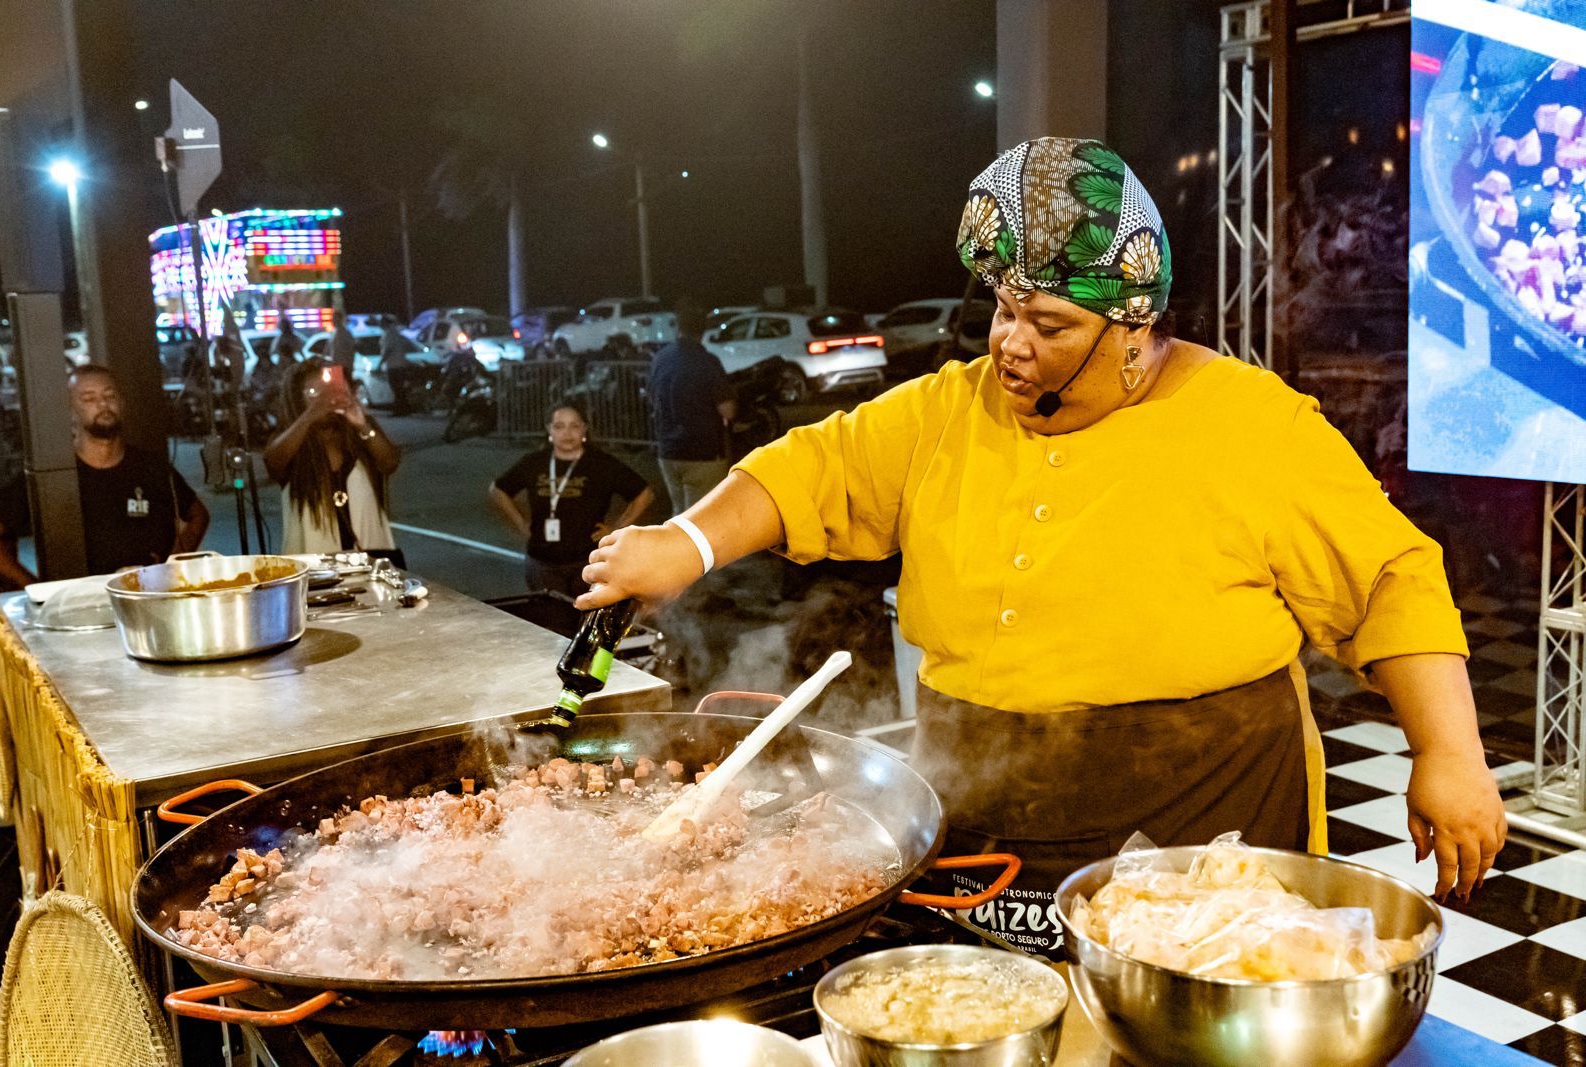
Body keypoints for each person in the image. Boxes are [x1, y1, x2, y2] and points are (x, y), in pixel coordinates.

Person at [575, 137, 1506, 945]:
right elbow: (810, 471)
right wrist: (684, 545)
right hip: (984, 812)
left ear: (1134, 329)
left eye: (1049, 324)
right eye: (1002, 308)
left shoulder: (1251, 425)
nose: (1010, 344)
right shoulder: (949, 408)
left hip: (1198, 821)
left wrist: (1451, 755)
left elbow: (1393, 577)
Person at [0, 365, 209, 585]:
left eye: (109, 395)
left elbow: (198, 515)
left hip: (147, 600)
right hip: (79, 607)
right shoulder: (52, 475)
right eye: (89, 398)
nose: (102, 404)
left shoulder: (152, 467)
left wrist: (170, 567)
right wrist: (33, 588)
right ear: (70, 410)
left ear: (122, 403)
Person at [488, 403, 653, 599]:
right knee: (548, 620)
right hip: (542, 561)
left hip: (586, 560)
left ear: (584, 429)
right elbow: (498, 490)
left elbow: (645, 494)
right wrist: (521, 523)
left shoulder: (601, 464)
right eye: (559, 426)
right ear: (549, 430)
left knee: (583, 617)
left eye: (574, 426)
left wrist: (616, 528)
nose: (567, 433)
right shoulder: (534, 463)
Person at [264, 359, 402, 562]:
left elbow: (389, 462)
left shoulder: (360, 433)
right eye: (312, 394)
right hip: (315, 571)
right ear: (296, 400)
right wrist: (311, 415)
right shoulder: (293, 440)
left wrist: (363, 426)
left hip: (371, 562)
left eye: (331, 390)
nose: (325, 400)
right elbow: (273, 462)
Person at [649, 300, 736, 511]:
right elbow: (728, 410)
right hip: (702, 452)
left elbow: (652, 398)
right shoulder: (707, 361)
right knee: (699, 520)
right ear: (703, 331)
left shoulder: (660, 359)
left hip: (668, 450)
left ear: (678, 328)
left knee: (677, 514)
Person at [379, 317, 416, 416]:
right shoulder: (394, 333)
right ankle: (405, 409)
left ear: (385, 323)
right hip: (398, 364)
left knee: (396, 388)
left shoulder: (390, 334)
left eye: (381, 322)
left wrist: (381, 363)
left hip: (394, 365)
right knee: (399, 388)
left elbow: (388, 350)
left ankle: (399, 410)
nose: (380, 325)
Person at [327, 314, 358, 390]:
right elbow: (329, 349)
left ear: (339, 320)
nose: (333, 321)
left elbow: (353, 347)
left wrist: (350, 364)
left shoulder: (345, 333)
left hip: (345, 366)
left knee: (346, 388)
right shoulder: (333, 333)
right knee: (338, 388)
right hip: (335, 365)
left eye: (335, 319)